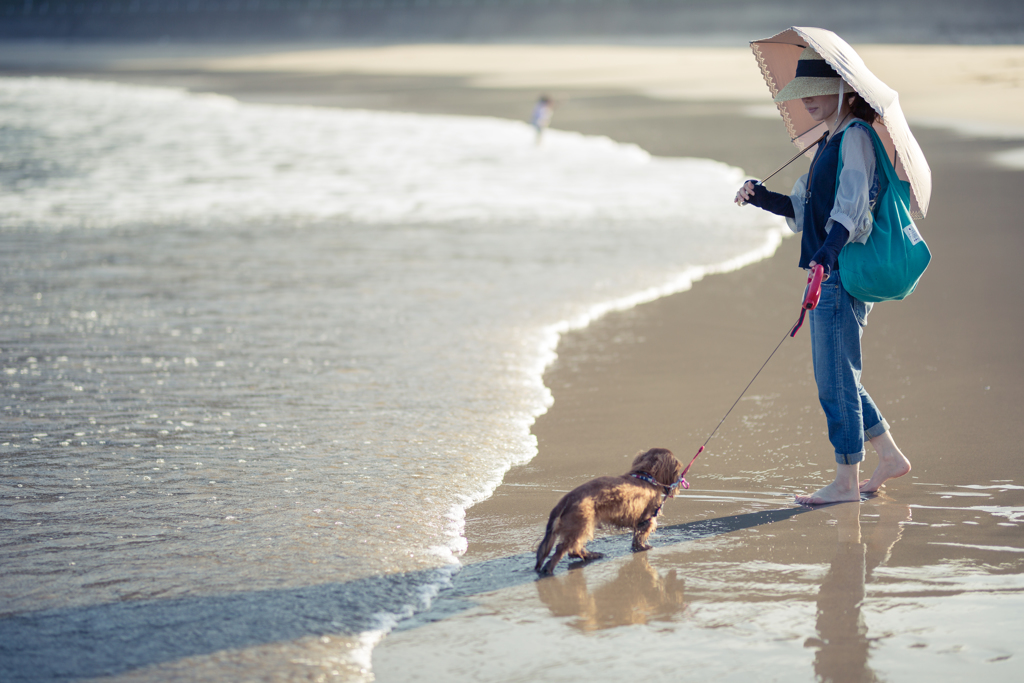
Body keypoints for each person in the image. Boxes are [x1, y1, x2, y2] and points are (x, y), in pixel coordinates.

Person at [734, 47, 911, 505]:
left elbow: (851, 206)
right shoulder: (827, 142)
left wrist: (828, 253)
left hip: (838, 272)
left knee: (834, 380)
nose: (807, 101)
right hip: (828, 270)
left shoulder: (854, 137)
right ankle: (888, 457)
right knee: (840, 375)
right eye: (802, 93)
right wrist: (760, 196)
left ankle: (846, 483)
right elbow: (800, 210)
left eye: (815, 91)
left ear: (841, 89)